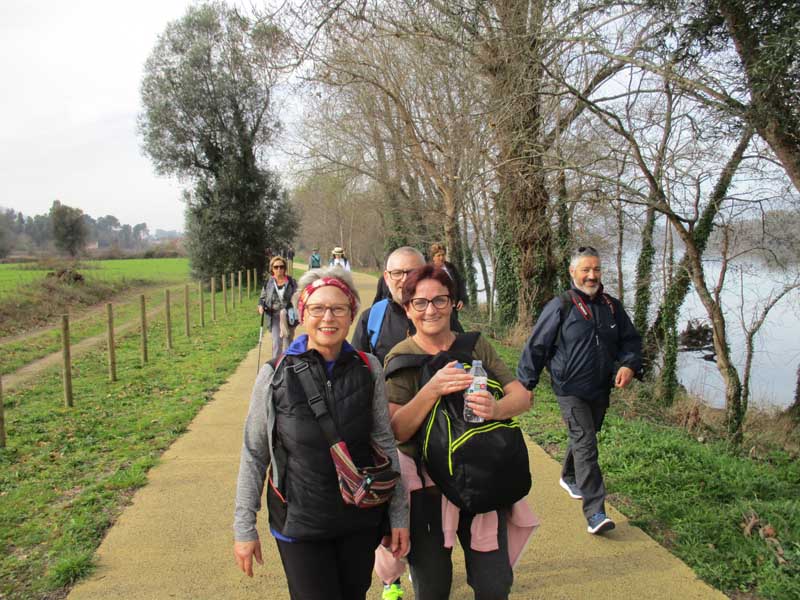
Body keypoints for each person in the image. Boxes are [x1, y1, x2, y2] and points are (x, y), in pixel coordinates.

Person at [234, 268, 410, 600]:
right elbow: (254, 454)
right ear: (302, 313)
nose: (327, 317)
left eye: (338, 308)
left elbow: (385, 444)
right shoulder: (274, 374)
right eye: (317, 308)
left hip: (359, 520)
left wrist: (399, 515)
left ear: (351, 313)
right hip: (299, 524)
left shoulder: (368, 367)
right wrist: (244, 528)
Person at [382, 264, 536, 600]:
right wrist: (431, 390)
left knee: (494, 584)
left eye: (440, 300)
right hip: (427, 488)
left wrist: (496, 409)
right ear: (407, 309)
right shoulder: (400, 358)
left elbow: (522, 396)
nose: (431, 310)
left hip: (482, 476)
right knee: (433, 587)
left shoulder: (476, 345)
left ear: (453, 304)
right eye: (420, 303)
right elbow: (396, 429)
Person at [517, 245, 642, 535]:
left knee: (585, 436)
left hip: (599, 389)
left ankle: (569, 475)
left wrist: (629, 365)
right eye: (585, 269)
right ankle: (595, 512)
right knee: (586, 443)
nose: (592, 275)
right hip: (568, 389)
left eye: (596, 269)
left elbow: (631, 342)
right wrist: (525, 385)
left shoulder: (612, 307)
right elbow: (536, 346)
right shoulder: (560, 306)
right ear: (573, 272)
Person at [352, 247, 426, 365]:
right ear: (386, 278)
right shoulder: (371, 318)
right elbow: (356, 370)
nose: (405, 280)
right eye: (397, 273)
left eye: (413, 273)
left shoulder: (440, 315)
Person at [258, 256, 298, 359]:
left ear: (285, 268)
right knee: (276, 342)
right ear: (272, 269)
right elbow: (262, 298)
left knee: (287, 341)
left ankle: (288, 365)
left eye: (281, 267)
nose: (279, 269)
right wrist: (261, 306)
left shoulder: (292, 282)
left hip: (288, 315)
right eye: (276, 267)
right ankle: (276, 366)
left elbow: (298, 298)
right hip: (274, 315)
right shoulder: (268, 283)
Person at [429, 243, 468, 312]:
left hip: (454, 307)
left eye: (443, 255)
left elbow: (460, 283)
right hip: (439, 308)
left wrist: (461, 299)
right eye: (438, 255)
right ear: (433, 257)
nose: (442, 258)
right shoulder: (430, 271)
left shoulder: (450, 267)